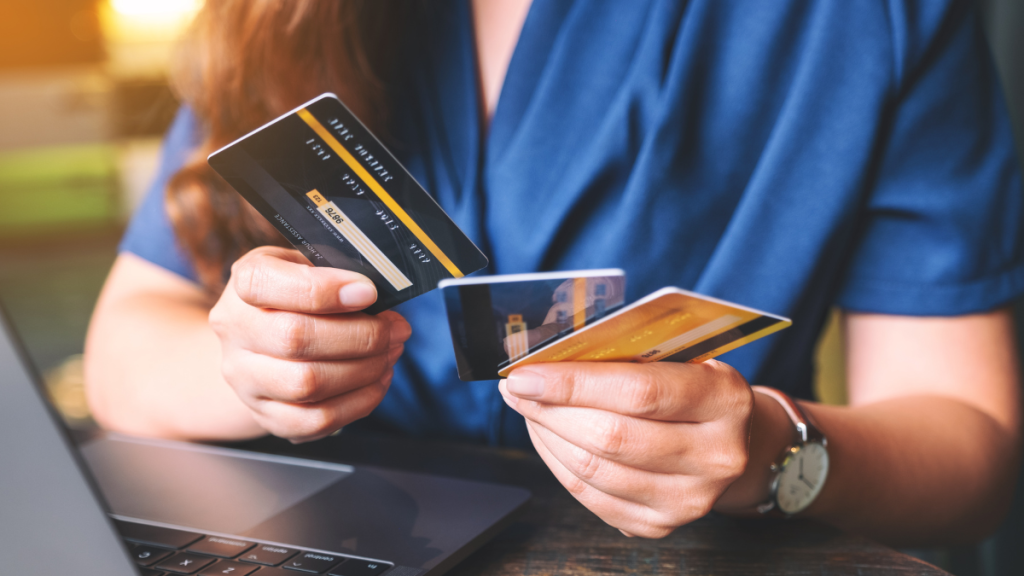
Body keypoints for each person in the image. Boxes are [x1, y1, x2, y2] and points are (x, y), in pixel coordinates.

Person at [84, 0, 1023, 544]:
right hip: (332, 544)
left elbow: (970, 445)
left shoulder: (868, 21)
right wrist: (254, 366)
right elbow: (127, 342)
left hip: (696, 555)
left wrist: (776, 453)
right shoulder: (279, 14)